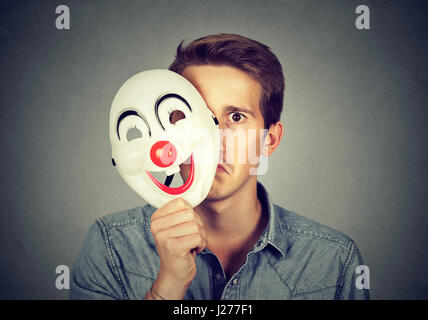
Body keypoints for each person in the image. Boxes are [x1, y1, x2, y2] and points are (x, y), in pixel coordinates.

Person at [70, 34, 369, 300]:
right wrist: (168, 286)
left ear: (270, 139)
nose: (212, 140)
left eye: (236, 117)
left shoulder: (333, 261)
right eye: (190, 116)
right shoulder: (111, 246)